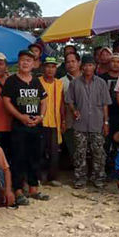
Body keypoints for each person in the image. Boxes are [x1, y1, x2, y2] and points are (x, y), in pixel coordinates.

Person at [2, 49, 50, 206]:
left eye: (29, 60)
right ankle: (18, 191)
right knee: (18, 158)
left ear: (33, 64)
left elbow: (44, 100)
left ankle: (33, 189)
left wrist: (41, 117)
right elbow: (6, 102)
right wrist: (20, 117)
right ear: (18, 62)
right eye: (22, 60)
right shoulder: (11, 81)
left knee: (35, 157)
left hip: (36, 126)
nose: (25, 63)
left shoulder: (36, 81)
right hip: (19, 126)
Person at [66, 54, 112, 188]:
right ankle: (80, 178)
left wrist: (106, 122)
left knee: (98, 152)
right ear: (82, 66)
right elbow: (69, 101)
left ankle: (98, 178)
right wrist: (74, 110)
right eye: (85, 65)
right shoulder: (74, 83)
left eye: (90, 65)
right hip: (80, 124)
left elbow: (105, 104)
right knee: (80, 153)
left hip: (97, 124)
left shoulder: (101, 83)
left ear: (95, 66)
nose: (88, 68)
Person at [39, 56, 65, 186]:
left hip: (55, 122)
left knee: (54, 152)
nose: (50, 69)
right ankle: (37, 177)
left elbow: (62, 103)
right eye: (48, 66)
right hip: (40, 122)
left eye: (53, 67)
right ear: (43, 67)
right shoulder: (36, 81)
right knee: (38, 150)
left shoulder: (59, 83)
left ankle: (52, 177)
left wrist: (63, 120)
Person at [101, 52, 119, 174]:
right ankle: (105, 170)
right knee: (105, 143)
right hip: (106, 115)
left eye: (118, 61)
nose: (115, 64)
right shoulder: (102, 78)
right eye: (113, 61)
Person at [60, 52, 82, 163]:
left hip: (87, 122)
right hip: (69, 122)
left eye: (73, 61)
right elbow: (60, 104)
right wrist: (63, 121)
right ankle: (79, 174)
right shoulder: (61, 82)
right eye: (68, 62)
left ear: (79, 63)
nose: (70, 64)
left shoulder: (88, 78)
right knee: (73, 150)